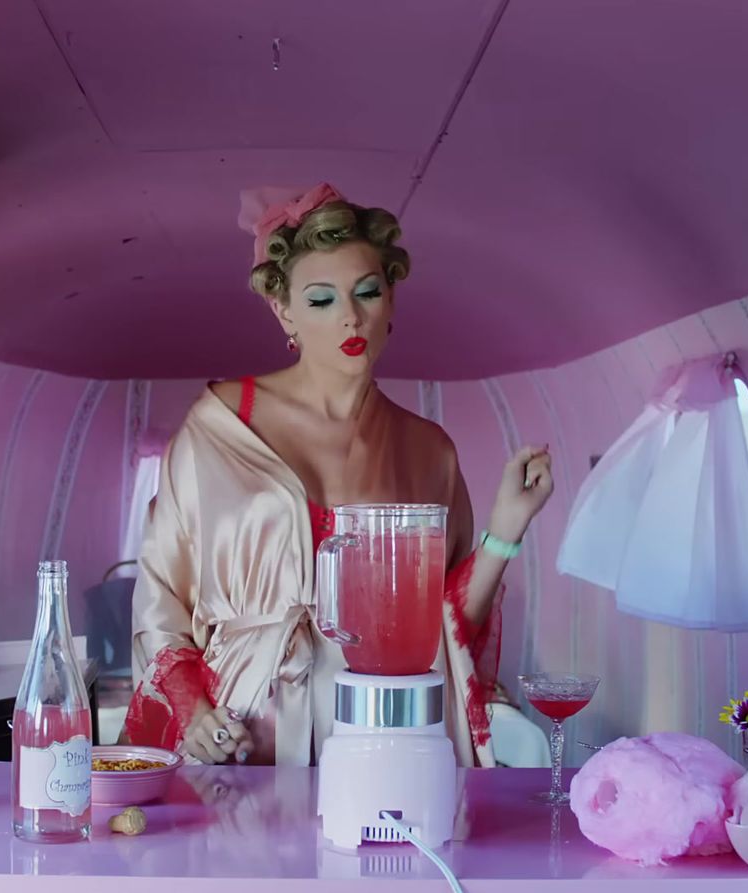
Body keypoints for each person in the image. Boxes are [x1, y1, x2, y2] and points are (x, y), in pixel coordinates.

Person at [122, 183, 553, 767]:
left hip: (377, 730)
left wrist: (506, 530)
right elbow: (160, 598)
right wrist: (195, 714)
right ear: (284, 311)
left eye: (368, 292)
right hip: (240, 724)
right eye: (322, 300)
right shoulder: (217, 427)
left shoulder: (429, 452)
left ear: (392, 302)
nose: (350, 316)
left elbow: (446, 629)